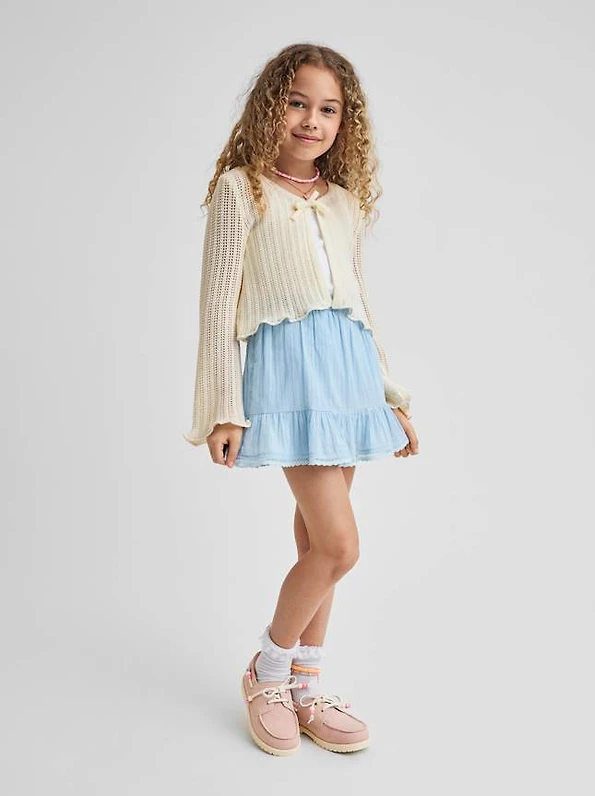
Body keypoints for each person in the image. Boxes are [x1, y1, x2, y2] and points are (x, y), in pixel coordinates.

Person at [183, 42, 419, 755]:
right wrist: (224, 408)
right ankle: (267, 670)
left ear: (346, 122)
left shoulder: (343, 202)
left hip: (348, 377)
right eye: (297, 103)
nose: (312, 120)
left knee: (317, 543)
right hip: (290, 378)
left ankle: (306, 686)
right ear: (270, 107)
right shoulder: (242, 190)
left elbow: (360, 305)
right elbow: (219, 306)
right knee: (342, 546)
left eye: (329, 109)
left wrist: (389, 395)